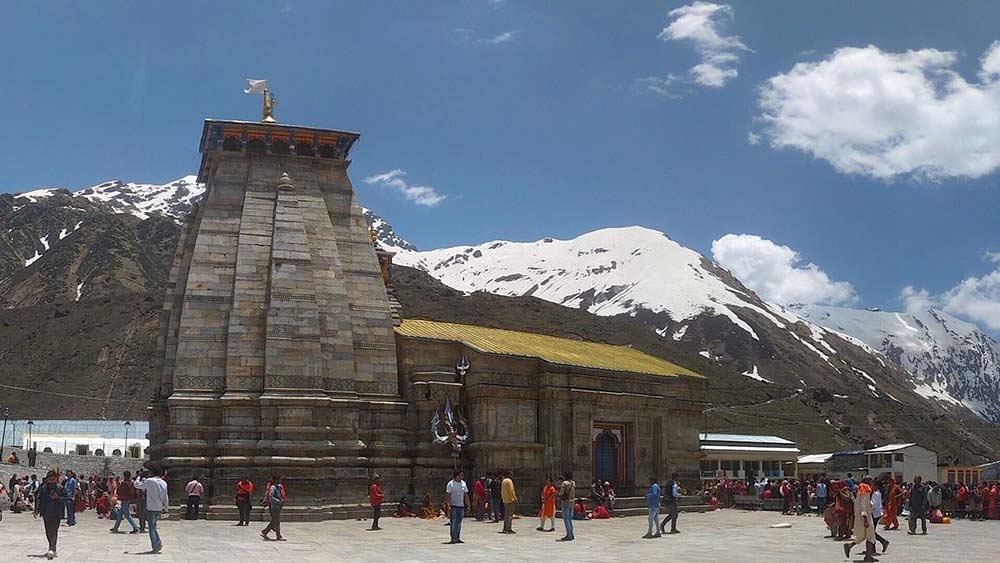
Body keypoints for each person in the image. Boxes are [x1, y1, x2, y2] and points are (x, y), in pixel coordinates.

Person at [134, 468, 168, 554]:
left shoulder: (150, 481)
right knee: (153, 526)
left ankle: (156, 545)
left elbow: (137, 485)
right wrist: (166, 508)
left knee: (152, 528)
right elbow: (166, 496)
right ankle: (158, 542)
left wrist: (138, 476)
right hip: (159, 508)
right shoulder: (164, 483)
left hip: (151, 507)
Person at [843, 478, 877, 563]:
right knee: (871, 536)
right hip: (865, 517)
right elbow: (863, 505)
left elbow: (863, 503)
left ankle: (849, 546)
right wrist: (865, 518)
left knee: (863, 535)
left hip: (861, 517)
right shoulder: (866, 490)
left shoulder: (861, 490)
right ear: (869, 482)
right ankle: (868, 557)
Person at [34, 470, 66, 560]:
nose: (51, 481)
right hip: (46, 513)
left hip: (57, 513)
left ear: (55, 479)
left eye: (53, 479)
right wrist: (36, 509)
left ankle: (52, 548)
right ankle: (51, 547)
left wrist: (58, 498)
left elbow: (67, 498)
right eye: (50, 480)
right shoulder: (43, 488)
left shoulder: (60, 488)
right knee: (48, 531)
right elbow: (39, 498)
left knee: (54, 530)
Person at [445, 470, 470, 545]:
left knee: (459, 522)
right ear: (457, 476)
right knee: (454, 522)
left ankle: (457, 537)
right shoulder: (450, 484)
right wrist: (448, 505)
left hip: (461, 505)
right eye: (461, 475)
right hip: (453, 505)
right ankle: (453, 537)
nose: (462, 476)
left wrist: (468, 504)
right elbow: (448, 496)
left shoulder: (463, 484)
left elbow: (465, 495)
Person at [261, 474, 286, 541]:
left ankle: (270, 533)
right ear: (276, 480)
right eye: (279, 479)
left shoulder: (279, 487)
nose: (281, 481)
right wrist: (278, 501)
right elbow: (270, 496)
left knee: (276, 521)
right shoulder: (273, 488)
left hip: (278, 506)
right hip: (274, 506)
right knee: (276, 521)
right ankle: (267, 532)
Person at [870, 479, 889, 553]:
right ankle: (872, 548)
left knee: (871, 532)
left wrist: (868, 503)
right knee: (871, 531)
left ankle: (883, 541)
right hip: (875, 513)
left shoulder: (876, 494)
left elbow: (874, 505)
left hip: (875, 514)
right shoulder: (875, 493)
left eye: (873, 485)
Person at [557, 472, 577, 541]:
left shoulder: (564, 483)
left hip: (565, 502)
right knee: (570, 519)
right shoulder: (573, 483)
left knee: (566, 519)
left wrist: (559, 494)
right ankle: (571, 534)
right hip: (572, 502)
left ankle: (569, 535)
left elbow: (562, 493)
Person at [500, 470, 518, 534]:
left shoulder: (503, 481)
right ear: (509, 475)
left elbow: (502, 491)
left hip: (505, 500)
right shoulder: (509, 481)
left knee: (506, 514)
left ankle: (505, 528)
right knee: (509, 515)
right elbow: (511, 490)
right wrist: (514, 498)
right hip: (510, 500)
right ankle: (508, 528)